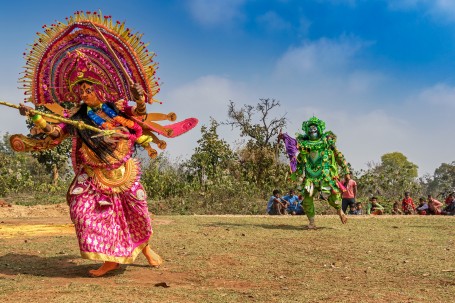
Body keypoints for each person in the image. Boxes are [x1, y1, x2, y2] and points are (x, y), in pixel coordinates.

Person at [8, 13, 197, 277]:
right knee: (82, 210)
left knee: (136, 212)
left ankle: (145, 248)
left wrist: (139, 99)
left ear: (100, 89)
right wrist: (37, 117)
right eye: (80, 91)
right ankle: (109, 258)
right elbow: (56, 133)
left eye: (88, 89)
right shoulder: (77, 116)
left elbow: (139, 118)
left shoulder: (117, 108)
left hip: (122, 171)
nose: (83, 94)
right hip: (93, 172)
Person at [280, 116, 351, 229]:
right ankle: (312, 223)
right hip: (309, 178)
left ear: (319, 129)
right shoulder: (304, 144)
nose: (312, 130)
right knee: (307, 200)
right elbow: (293, 147)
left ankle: (340, 212)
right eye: (310, 128)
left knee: (334, 198)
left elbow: (338, 155)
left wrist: (346, 171)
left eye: (315, 128)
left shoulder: (327, 141)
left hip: (325, 176)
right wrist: (284, 137)